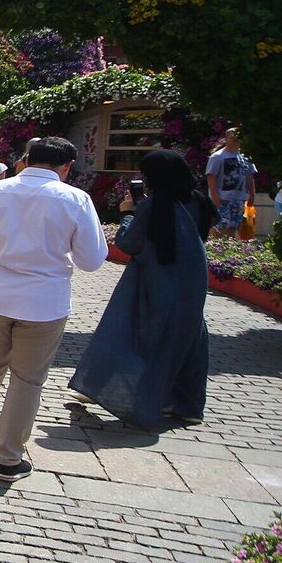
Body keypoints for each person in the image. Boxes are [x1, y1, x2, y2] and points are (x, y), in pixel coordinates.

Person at [0, 136, 108, 481]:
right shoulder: (75, 199)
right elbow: (92, 260)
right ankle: (9, 457)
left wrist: (5, 249)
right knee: (27, 380)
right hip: (43, 302)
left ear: (26, 159)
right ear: (67, 167)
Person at [69, 150, 214, 427]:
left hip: (155, 281)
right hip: (192, 283)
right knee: (190, 340)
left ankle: (118, 392)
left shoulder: (154, 205)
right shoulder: (199, 201)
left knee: (132, 333)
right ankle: (186, 404)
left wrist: (127, 214)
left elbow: (130, 243)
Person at [204, 128, 256, 239]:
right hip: (223, 199)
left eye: (238, 137)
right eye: (232, 137)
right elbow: (211, 178)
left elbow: (249, 176)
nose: (235, 140)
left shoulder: (245, 157)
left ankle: (228, 250)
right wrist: (216, 198)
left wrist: (252, 195)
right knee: (219, 228)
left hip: (239, 199)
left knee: (233, 228)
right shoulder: (218, 157)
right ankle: (216, 251)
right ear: (226, 139)